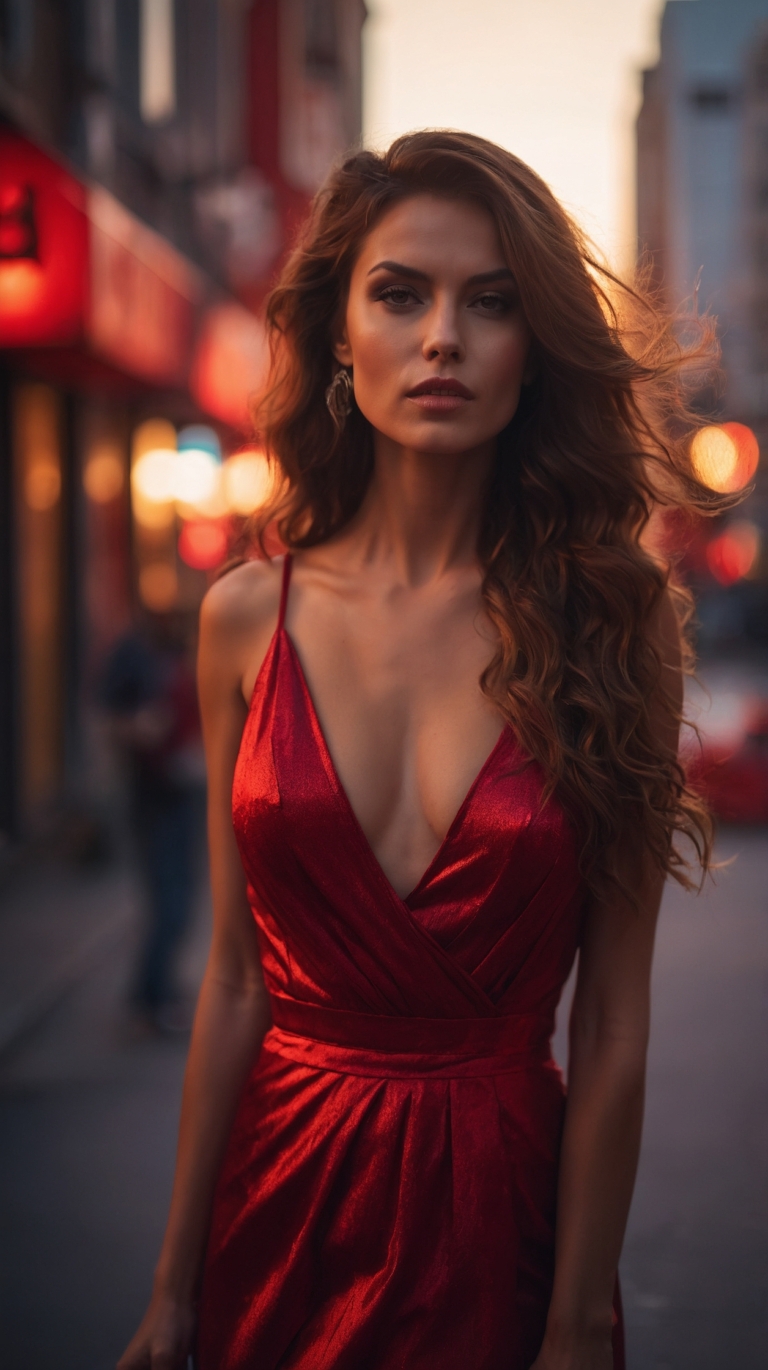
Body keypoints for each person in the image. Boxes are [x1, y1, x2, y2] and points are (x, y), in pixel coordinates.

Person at [118, 132, 721, 1370]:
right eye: (400, 294)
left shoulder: (617, 621)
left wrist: (573, 1323)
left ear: (533, 349)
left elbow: (614, 1018)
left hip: (504, 1233)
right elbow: (234, 982)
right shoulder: (245, 618)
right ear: (342, 332)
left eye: (491, 303)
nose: (443, 336)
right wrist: (172, 1293)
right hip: (274, 1215)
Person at [101, 610, 206, 1033]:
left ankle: (154, 993)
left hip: (182, 792)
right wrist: (141, 726)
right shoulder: (133, 655)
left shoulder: (175, 658)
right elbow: (111, 719)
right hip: (155, 796)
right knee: (170, 903)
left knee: (180, 900)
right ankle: (152, 999)